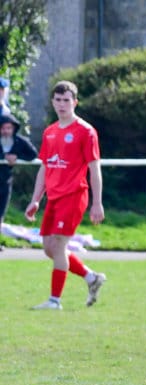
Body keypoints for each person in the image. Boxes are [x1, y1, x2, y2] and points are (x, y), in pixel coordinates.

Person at [24, 81, 106, 310]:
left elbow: (94, 169)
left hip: (74, 195)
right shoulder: (50, 132)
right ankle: (91, 278)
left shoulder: (85, 131)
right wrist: (35, 199)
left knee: (59, 245)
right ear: (53, 102)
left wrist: (97, 203)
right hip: (54, 197)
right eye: (58, 100)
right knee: (49, 248)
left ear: (75, 102)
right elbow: (44, 168)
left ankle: (54, 301)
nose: (62, 104)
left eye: (66, 100)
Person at [0, 114, 38, 232]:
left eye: (9, 128)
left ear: (13, 129)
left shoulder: (19, 141)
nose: (6, 131)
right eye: (3, 128)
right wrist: (4, 157)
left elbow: (32, 154)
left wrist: (17, 156)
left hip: (5, 181)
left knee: (0, 211)